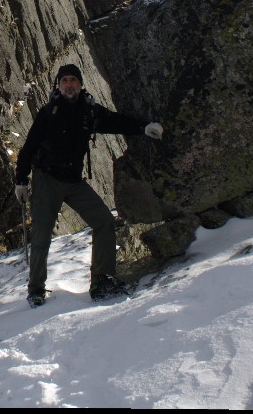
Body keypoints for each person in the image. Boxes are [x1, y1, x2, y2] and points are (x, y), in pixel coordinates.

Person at [14, 64, 163, 306]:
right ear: (58, 85)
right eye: (65, 81)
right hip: (46, 180)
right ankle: (36, 290)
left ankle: (102, 280)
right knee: (41, 234)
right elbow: (29, 148)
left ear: (80, 84)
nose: (69, 85)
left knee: (104, 221)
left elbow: (116, 122)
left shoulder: (89, 112)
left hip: (73, 181)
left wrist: (143, 128)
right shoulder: (48, 113)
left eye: (73, 80)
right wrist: (21, 181)